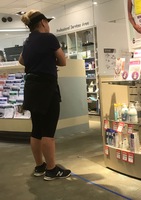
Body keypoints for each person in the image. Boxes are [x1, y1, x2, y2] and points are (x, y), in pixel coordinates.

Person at [18, 10, 71, 181]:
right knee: (48, 131)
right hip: (47, 89)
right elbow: (62, 61)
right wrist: (50, 61)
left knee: (37, 130)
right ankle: (51, 169)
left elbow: (21, 61)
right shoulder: (49, 38)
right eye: (47, 22)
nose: (48, 25)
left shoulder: (27, 42)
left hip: (31, 88)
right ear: (42, 23)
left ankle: (39, 166)